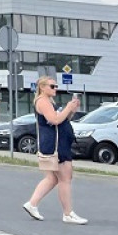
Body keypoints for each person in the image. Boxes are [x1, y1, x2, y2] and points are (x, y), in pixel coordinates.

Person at [23, 76, 86, 224]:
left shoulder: (49, 101)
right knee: (65, 178)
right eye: (52, 86)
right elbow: (54, 120)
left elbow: (62, 119)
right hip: (55, 145)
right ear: (42, 87)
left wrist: (71, 110)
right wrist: (67, 108)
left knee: (52, 178)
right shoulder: (42, 101)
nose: (55, 89)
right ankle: (68, 213)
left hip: (56, 142)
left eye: (56, 86)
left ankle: (32, 204)